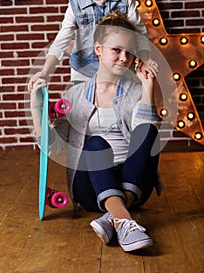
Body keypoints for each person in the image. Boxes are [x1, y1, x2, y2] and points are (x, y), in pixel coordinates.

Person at [30, 13, 162, 252]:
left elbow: (145, 136)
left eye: (129, 52)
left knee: (150, 131)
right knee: (96, 144)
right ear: (98, 49)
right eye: (116, 50)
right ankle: (125, 219)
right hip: (89, 187)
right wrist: (35, 105)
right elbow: (54, 147)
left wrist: (147, 86)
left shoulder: (134, 91)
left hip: (134, 182)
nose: (124, 59)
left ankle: (116, 218)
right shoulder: (75, 97)